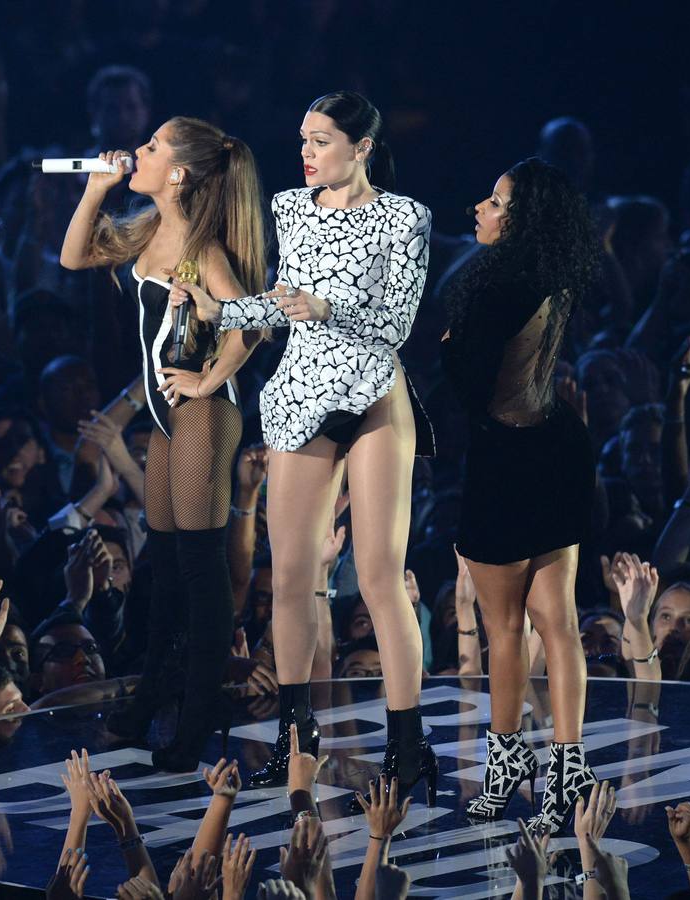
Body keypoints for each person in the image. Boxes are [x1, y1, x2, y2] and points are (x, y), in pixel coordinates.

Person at [172, 91, 436, 794]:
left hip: (374, 393)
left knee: (380, 576)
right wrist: (222, 309)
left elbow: (398, 324)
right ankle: (297, 742)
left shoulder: (404, 218)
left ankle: (408, 746)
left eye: (321, 141)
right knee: (290, 579)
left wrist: (329, 307)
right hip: (302, 396)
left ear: (362, 148)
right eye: (303, 141)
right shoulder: (290, 208)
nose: (307, 154)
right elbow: (284, 305)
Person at [59, 113, 265, 772]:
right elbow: (72, 256)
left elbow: (249, 325)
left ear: (177, 172)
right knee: (168, 566)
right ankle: (153, 698)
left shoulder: (203, 252)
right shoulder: (147, 232)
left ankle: (196, 723)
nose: (136, 151)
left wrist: (208, 380)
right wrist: (96, 188)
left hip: (206, 415)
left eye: (151, 147)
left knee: (201, 573)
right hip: (170, 420)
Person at [441, 157, 605, 833]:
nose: (480, 207)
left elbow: (468, 387)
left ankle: (506, 764)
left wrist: (450, 343)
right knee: (558, 623)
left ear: (522, 219)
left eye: (496, 201)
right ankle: (568, 768)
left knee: (503, 630)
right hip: (559, 446)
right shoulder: (555, 274)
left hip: (507, 458)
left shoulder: (494, 285)